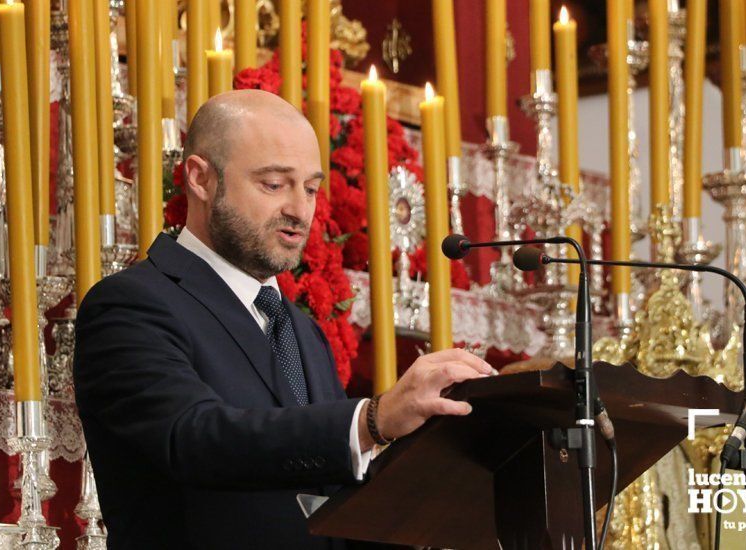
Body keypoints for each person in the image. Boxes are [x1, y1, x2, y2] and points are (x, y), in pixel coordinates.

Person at [74, 90, 495, 549]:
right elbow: (195, 439)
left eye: (311, 188)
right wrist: (373, 419)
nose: (300, 209)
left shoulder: (302, 330)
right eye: (274, 184)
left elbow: (332, 503)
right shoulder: (130, 305)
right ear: (200, 178)